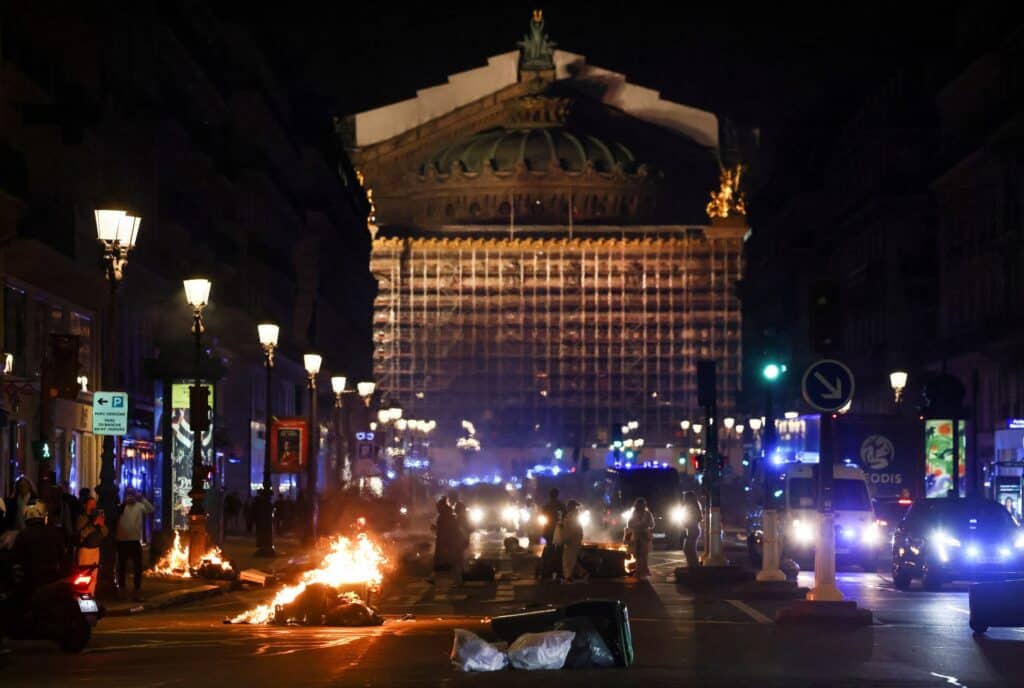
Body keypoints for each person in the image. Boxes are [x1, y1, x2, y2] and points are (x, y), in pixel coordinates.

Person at [14, 502, 67, 590]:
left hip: (30, 580)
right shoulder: (54, 532)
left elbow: (17, 557)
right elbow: (62, 555)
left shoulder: (22, 535)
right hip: (51, 578)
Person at [115, 488, 153, 600]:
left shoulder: (140, 506)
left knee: (138, 566)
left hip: (135, 540)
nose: (130, 497)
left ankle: (137, 587)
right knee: (122, 566)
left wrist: (142, 498)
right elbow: (115, 515)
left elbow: (151, 509)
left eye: (132, 495)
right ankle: (122, 586)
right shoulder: (121, 507)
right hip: (122, 541)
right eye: (128, 495)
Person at [75, 496, 107, 594]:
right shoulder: (81, 518)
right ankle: (82, 597)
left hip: (95, 550)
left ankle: (91, 596)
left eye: (94, 504)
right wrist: (93, 524)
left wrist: (101, 525)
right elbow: (82, 534)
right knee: (83, 576)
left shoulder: (97, 516)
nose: (93, 507)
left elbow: (105, 533)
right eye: (90, 504)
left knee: (94, 577)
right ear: (85, 505)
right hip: (85, 551)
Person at [625, 497, 655, 580]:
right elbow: (629, 524)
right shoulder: (633, 513)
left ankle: (644, 571)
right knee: (637, 555)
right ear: (636, 505)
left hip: (645, 536)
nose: (640, 506)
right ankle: (638, 571)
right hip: (636, 536)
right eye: (639, 505)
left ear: (644, 505)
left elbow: (652, 524)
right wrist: (636, 526)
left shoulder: (647, 513)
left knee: (644, 555)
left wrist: (645, 525)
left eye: (642, 504)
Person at [539, 488, 566, 580]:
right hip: (558, 531)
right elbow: (564, 518)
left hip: (549, 532)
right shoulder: (561, 506)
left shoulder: (546, 506)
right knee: (559, 551)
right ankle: (559, 571)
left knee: (549, 550)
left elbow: (542, 517)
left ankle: (548, 570)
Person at [560, 500, 587, 583]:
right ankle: (582, 573)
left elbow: (571, 529)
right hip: (574, 540)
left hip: (571, 541)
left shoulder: (572, 516)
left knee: (568, 559)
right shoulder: (574, 516)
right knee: (572, 559)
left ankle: (568, 577)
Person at [430, 496, 455, 582]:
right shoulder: (445, 515)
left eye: (438, 507)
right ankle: (435, 577)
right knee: (442, 560)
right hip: (443, 541)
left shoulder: (445, 516)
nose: (437, 509)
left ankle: (437, 578)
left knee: (442, 560)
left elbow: (446, 529)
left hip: (444, 541)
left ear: (442, 506)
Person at [682, 491, 703, 569]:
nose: (683, 499)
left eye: (685, 497)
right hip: (693, 529)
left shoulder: (690, 507)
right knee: (689, 548)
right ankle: (692, 565)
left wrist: (685, 523)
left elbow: (692, 519)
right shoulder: (694, 506)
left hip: (693, 529)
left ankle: (693, 566)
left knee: (688, 549)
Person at [452, 501, 471, 586]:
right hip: (460, 542)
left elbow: (467, 529)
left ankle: (460, 579)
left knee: (459, 561)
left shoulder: (460, 519)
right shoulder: (460, 519)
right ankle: (461, 579)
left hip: (460, 542)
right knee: (460, 560)